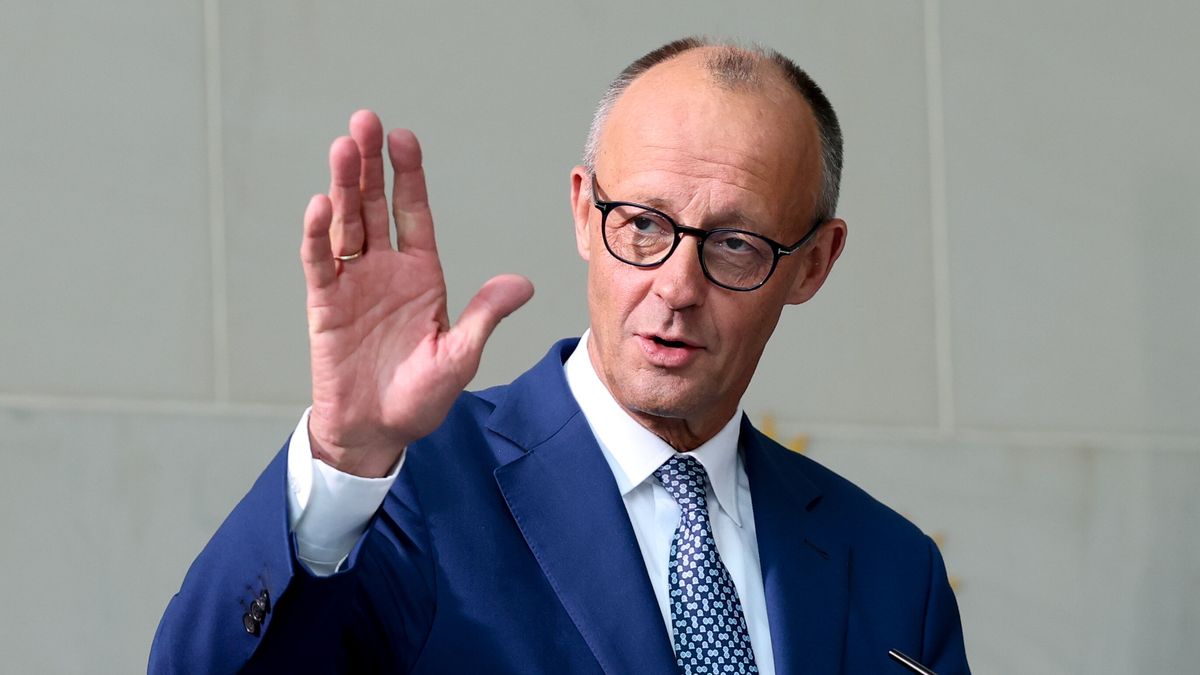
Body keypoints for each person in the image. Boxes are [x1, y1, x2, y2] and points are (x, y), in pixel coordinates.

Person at [150, 37, 970, 674]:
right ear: (584, 212)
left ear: (814, 264)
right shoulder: (410, 491)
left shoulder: (894, 569)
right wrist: (343, 459)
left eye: (734, 244)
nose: (676, 286)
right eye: (643, 224)